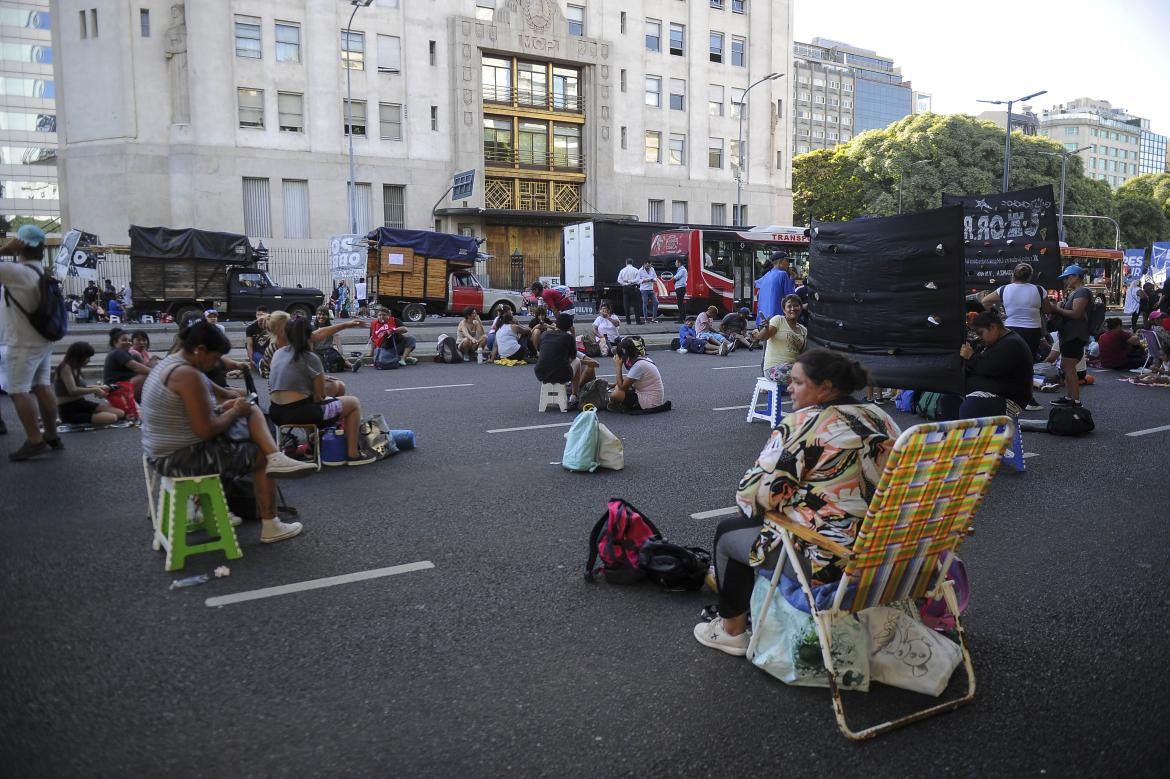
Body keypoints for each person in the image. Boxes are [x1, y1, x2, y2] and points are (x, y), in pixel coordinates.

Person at [693, 349, 900, 655]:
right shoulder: (880, 418)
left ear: (826, 387)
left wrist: (759, 508)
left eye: (798, 382)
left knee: (729, 532)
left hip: (833, 560)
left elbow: (753, 496)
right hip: (891, 552)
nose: (789, 387)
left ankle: (731, 631)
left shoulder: (803, 423)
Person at [140, 321, 315, 543]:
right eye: (215, 358)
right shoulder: (188, 375)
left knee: (248, 412)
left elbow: (185, 415)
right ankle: (271, 524)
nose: (215, 364)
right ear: (200, 350)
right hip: (178, 458)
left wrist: (222, 409)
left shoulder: (169, 363)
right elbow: (205, 430)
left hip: (161, 452)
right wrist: (233, 412)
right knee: (260, 456)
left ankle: (275, 456)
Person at [267, 318, 375, 466]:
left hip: (276, 413)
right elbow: (319, 397)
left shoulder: (278, 353)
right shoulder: (311, 358)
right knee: (353, 403)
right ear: (309, 335)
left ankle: (314, 443)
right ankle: (353, 455)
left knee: (317, 401)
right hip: (301, 413)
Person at [0, 225, 62, 460]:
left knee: (18, 390)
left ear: (22, 245)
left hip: (22, 343)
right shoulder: (40, 273)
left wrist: (5, 249)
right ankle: (52, 436)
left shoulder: (16, 272)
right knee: (41, 386)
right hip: (42, 341)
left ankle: (35, 440)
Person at [953, 309, 1034, 419]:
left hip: (1009, 398)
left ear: (993, 327)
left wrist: (971, 357)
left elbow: (990, 368)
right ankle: (954, 435)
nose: (980, 338)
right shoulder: (1000, 341)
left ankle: (970, 435)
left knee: (972, 406)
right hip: (994, 392)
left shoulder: (1012, 344)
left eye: (981, 333)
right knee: (950, 400)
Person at [980, 262, 1049, 361]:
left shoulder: (1004, 289)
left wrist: (999, 315)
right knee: (1028, 360)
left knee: (1010, 359)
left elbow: (985, 301)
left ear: (1013, 274)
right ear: (1030, 276)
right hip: (1033, 330)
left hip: (1010, 329)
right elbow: (1047, 310)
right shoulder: (1039, 290)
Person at [1046, 264, 1093, 407]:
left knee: (1068, 366)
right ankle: (1069, 397)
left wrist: (1057, 308)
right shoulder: (1074, 292)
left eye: (1068, 277)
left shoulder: (1083, 292)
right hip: (1069, 334)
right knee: (1067, 366)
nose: (1066, 280)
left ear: (1077, 277)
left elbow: (1076, 313)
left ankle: (1075, 400)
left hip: (1075, 334)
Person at [54, 342, 126, 428]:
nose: (89, 360)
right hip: (69, 408)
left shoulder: (76, 368)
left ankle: (96, 415)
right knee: (112, 418)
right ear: (79, 356)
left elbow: (82, 388)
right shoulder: (65, 367)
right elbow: (73, 390)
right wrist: (95, 390)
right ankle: (87, 417)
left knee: (120, 413)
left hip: (81, 403)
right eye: (87, 357)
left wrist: (100, 387)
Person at [534, 313, 597, 399]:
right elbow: (574, 356)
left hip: (540, 373)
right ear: (570, 326)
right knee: (577, 361)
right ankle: (574, 395)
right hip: (561, 374)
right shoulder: (568, 337)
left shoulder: (545, 334)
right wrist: (573, 334)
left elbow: (541, 350)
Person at [753, 294, 807, 391]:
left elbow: (802, 354)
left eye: (796, 305)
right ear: (784, 310)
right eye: (789, 306)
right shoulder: (779, 320)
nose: (792, 308)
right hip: (774, 368)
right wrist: (766, 328)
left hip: (793, 367)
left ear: (800, 308)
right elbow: (762, 337)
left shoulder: (803, 330)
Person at [608, 337, 666, 412]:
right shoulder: (642, 359)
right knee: (616, 388)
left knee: (616, 394)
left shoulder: (639, 365)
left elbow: (622, 387)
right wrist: (612, 385)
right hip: (652, 397)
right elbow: (629, 380)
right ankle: (621, 404)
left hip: (650, 402)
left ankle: (621, 406)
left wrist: (618, 365)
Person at [754, 251, 796, 327]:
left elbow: (756, 284)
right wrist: (792, 279)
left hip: (762, 321)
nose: (789, 264)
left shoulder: (766, 275)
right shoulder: (782, 274)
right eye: (787, 261)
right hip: (776, 322)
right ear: (781, 261)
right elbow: (791, 297)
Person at [260, 310, 291, 378]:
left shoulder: (291, 341)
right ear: (279, 330)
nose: (292, 326)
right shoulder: (272, 349)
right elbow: (278, 374)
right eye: (288, 325)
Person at [617, 258, 641, 325]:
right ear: (632, 263)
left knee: (626, 305)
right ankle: (638, 321)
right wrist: (631, 281)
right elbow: (637, 280)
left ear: (626, 263)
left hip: (625, 288)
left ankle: (628, 321)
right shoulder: (636, 270)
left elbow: (619, 280)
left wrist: (625, 283)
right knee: (636, 305)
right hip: (634, 288)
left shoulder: (622, 270)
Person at [673, 258, 688, 323]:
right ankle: (682, 318)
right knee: (680, 303)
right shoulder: (680, 270)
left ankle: (681, 319)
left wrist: (673, 278)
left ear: (679, 263)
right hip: (680, 288)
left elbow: (675, 277)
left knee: (680, 304)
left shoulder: (682, 270)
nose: (675, 264)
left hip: (680, 288)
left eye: (676, 262)